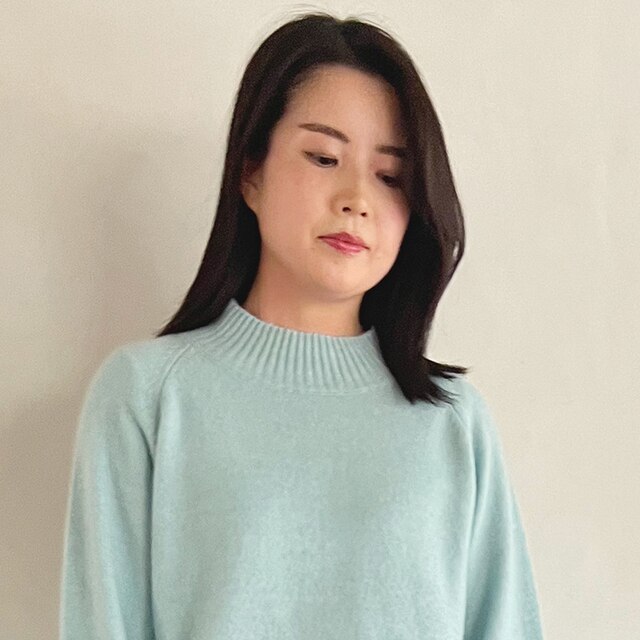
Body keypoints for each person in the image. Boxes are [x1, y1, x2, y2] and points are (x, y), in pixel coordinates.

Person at [59, 12, 544, 639]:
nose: (357, 199)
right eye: (323, 157)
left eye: (390, 176)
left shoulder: (454, 424)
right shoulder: (147, 397)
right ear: (251, 172)